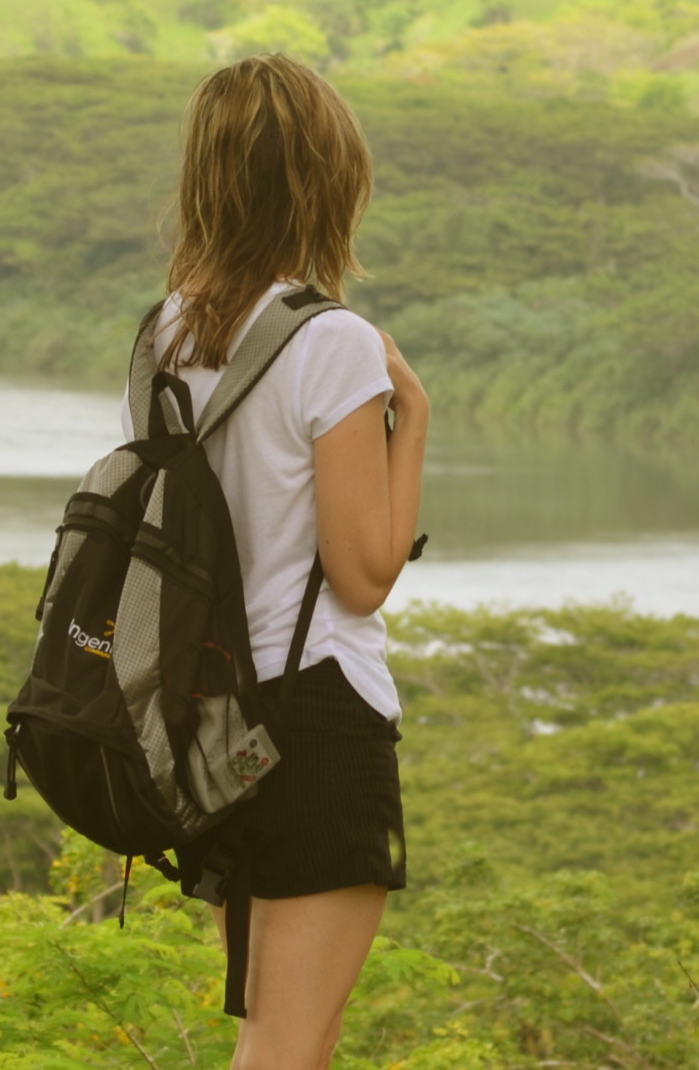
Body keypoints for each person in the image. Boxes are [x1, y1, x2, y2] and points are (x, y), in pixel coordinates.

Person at [135, 54, 429, 1070]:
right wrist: (414, 419)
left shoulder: (165, 332)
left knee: (281, 1035)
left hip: (208, 724)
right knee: (287, 1046)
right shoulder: (330, 341)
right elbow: (363, 573)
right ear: (327, 178)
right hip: (311, 719)